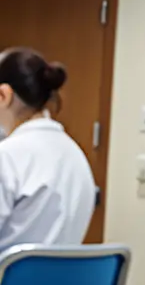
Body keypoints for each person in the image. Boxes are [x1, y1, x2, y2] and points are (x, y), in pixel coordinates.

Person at [0, 48, 96, 249]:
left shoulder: (7, 156)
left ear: (4, 95)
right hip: (65, 281)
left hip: (10, 280)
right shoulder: (76, 156)